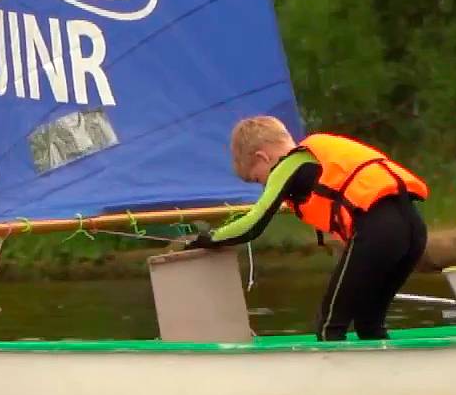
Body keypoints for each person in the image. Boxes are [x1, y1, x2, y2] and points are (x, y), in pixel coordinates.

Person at [183, 116, 430, 341]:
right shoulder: (313, 158)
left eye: (258, 179)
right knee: (369, 324)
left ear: (263, 157)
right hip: (413, 230)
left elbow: (252, 225)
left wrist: (206, 238)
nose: (264, 185)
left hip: (379, 232)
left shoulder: (291, 163)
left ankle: (331, 385)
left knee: (330, 326)